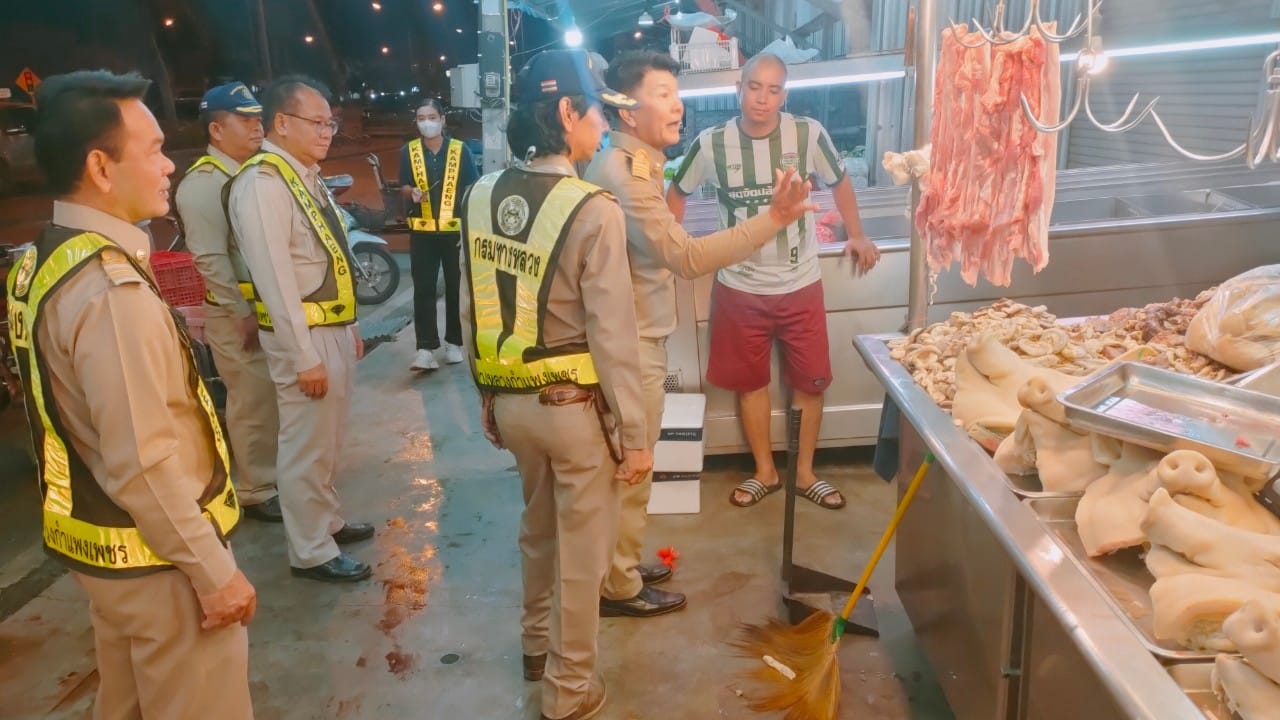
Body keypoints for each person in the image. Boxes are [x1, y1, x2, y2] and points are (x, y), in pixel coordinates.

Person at [7, 70, 254, 718]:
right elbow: (143, 461)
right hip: (161, 566)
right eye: (153, 149)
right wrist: (214, 572)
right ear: (100, 167)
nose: (169, 165)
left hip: (106, 555)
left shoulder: (44, 258)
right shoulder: (111, 293)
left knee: (128, 703)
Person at [583, 50, 816, 618]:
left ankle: (619, 565)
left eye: (676, 92)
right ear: (627, 110)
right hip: (630, 343)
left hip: (635, 334)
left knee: (630, 465)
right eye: (662, 94)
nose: (677, 105)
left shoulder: (636, 165)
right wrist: (775, 219)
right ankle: (617, 587)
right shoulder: (626, 175)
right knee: (633, 466)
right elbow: (686, 258)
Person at [459, 49, 651, 720]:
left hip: (512, 406)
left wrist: (486, 394)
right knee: (582, 555)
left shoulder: (480, 196)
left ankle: (535, 646)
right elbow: (613, 335)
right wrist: (635, 434)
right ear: (567, 112)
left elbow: (473, 308)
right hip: (575, 412)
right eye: (596, 111)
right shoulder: (594, 208)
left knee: (537, 530)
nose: (603, 126)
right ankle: (569, 691)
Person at [667, 53, 882, 510]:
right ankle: (764, 471)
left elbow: (840, 182)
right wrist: (670, 249)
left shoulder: (808, 134)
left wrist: (857, 233)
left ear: (785, 95)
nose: (762, 98)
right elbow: (677, 193)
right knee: (750, 384)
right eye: (754, 87)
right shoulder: (711, 143)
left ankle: (805, 473)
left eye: (773, 89)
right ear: (738, 90)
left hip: (801, 283)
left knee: (811, 383)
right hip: (739, 286)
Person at [227, 75, 374, 583]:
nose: (327, 132)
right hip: (304, 338)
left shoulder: (302, 175)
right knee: (304, 445)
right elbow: (274, 280)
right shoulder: (263, 184)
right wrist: (303, 356)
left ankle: (326, 522)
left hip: (329, 328)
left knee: (326, 440)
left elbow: (331, 254)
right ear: (282, 123)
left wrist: (349, 324)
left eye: (330, 123)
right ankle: (310, 550)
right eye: (317, 122)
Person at [175, 82, 282, 522]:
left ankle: (276, 477)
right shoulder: (204, 184)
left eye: (258, 118)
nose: (257, 127)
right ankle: (257, 488)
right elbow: (210, 258)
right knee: (253, 401)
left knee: (273, 397)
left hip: (266, 311)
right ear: (216, 130)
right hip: (237, 314)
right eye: (245, 120)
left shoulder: (249, 173)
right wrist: (240, 312)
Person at [399, 98, 479, 372]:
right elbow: (403, 185)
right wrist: (411, 192)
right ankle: (425, 349)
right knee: (423, 289)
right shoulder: (408, 151)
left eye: (432, 117)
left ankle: (454, 342)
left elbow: (472, 187)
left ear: (443, 120)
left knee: (456, 288)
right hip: (422, 233)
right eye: (421, 118)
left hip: (453, 233)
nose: (427, 123)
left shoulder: (460, 150)